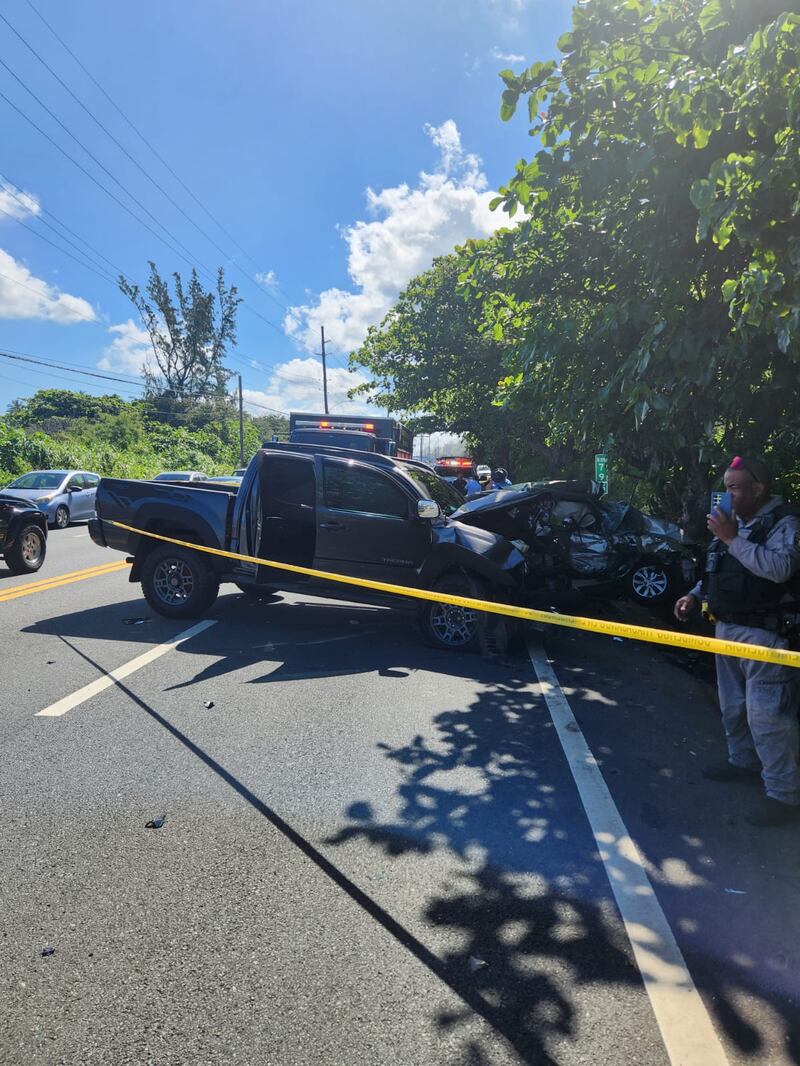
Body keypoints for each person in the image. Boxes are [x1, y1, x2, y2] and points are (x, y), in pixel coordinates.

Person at [674, 456, 800, 827]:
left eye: (733, 488)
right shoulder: (735, 524)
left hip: (766, 635)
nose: (726, 496)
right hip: (726, 630)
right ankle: (742, 761)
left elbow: (779, 570)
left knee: (768, 715)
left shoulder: (785, 523)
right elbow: (718, 567)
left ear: (757, 488)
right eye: (725, 488)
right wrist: (693, 596)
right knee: (733, 707)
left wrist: (732, 539)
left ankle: (784, 794)